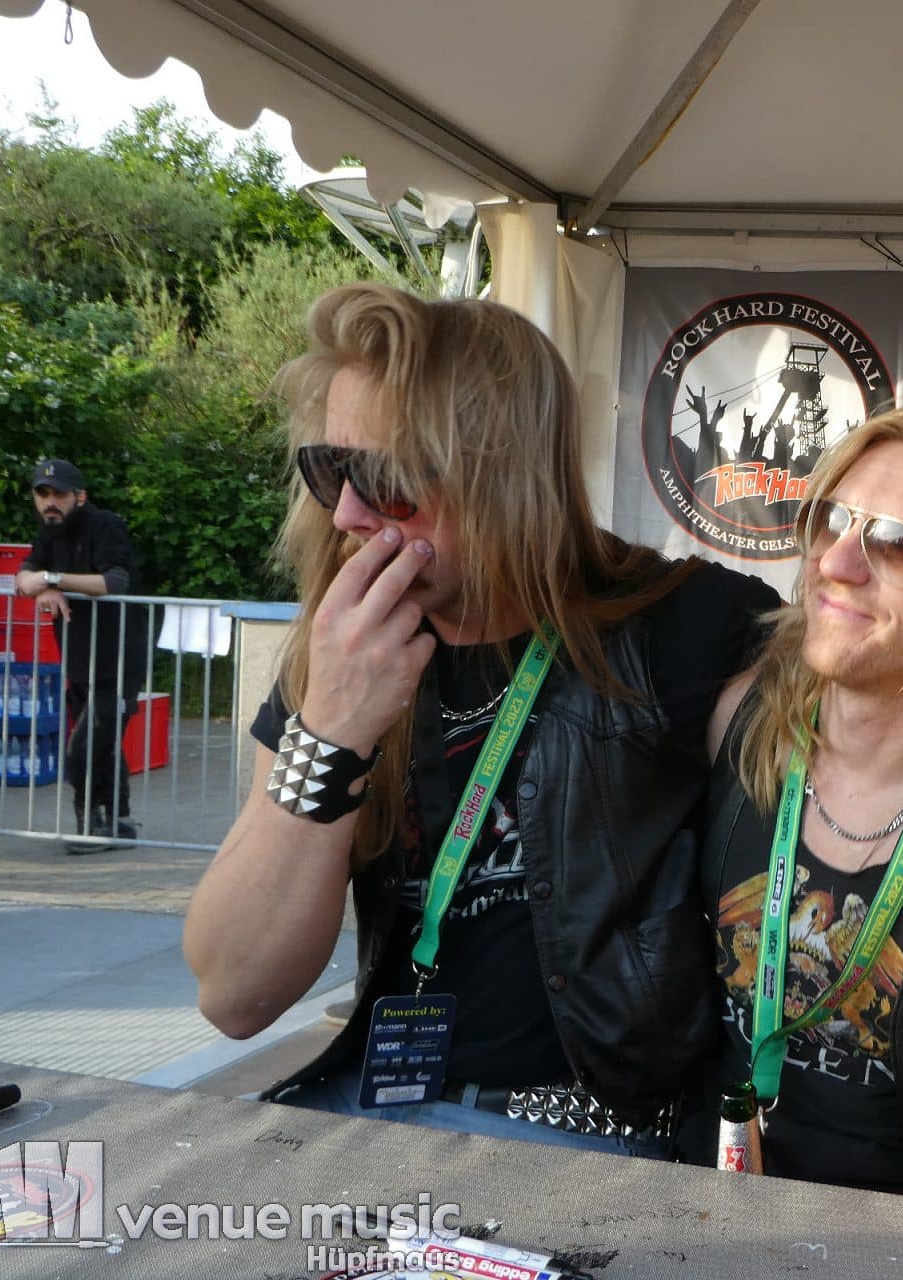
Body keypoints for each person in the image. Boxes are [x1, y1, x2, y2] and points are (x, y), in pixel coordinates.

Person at [184, 282, 778, 1156]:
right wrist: (332, 732)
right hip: (368, 1100)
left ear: (503, 477)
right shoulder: (346, 647)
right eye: (330, 469)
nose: (344, 513)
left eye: (385, 482)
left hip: (583, 1133)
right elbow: (233, 993)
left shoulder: (684, 626)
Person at [695, 404, 903, 1195]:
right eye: (832, 520)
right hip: (707, 1206)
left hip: (897, 1232)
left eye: (896, 543)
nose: (838, 562)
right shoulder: (738, 723)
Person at [14, 458, 146, 846]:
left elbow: (115, 581)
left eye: (58, 494)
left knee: (83, 750)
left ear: (80, 496)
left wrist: (52, 579)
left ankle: (90, 827)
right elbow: (23, 578)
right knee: (101, 744)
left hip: (118, 659)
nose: (49, 502)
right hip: (79, 659)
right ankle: (117, 819)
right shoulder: (48, 533)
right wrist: (42, 586)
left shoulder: (105, 524)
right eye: (42, 494)